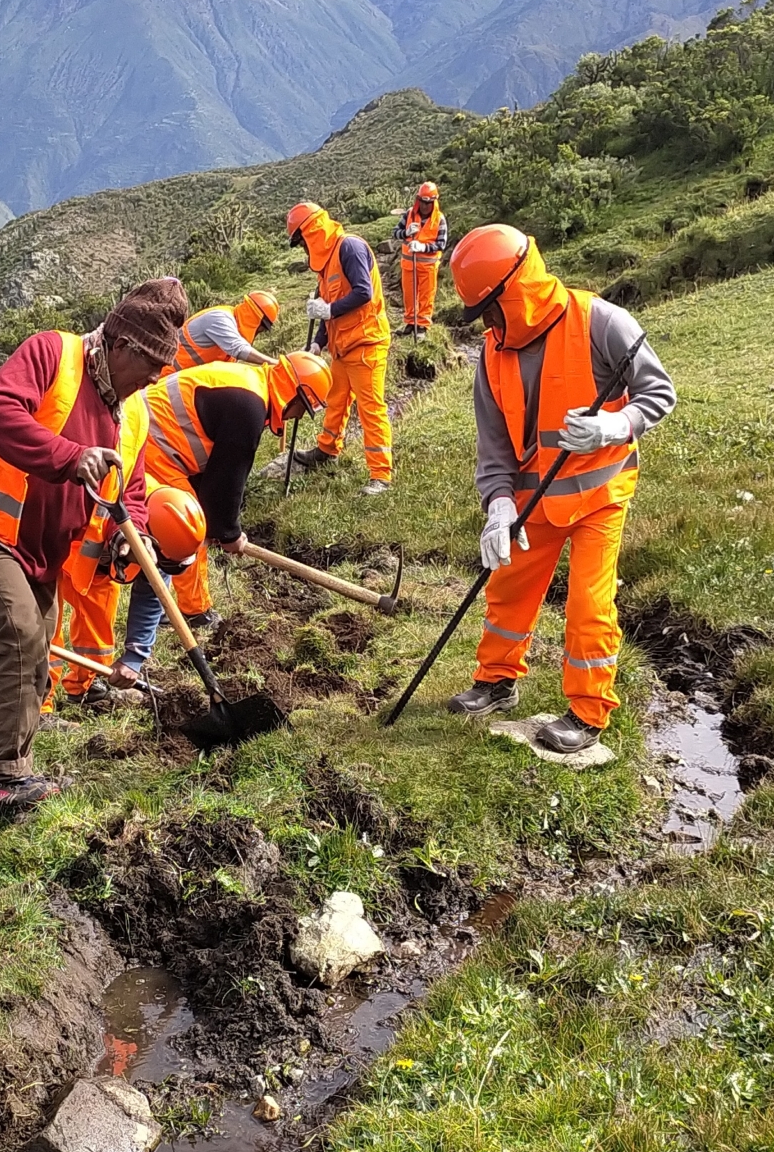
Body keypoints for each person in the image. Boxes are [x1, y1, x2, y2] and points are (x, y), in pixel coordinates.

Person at [0, 278, 188, 812]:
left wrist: (131, 531)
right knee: (24, 633)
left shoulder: (131, 410)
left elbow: (133, 488)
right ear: (122, 346)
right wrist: (70, 457)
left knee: (41, 640)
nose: (155, 380)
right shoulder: (54, 353)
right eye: (153, 367)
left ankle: (17, 770)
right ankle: (1, 779)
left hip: (42, 551)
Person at [442, 225, 675, 757]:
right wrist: (498, 507)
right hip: (533, 495)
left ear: (514, 288)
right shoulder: (493, 353)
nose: (489, 324)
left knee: (588, 603)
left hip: (598, 491)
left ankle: (588, 713)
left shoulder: (602, 321)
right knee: (508, 589)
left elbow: (659, 392)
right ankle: (496, 682)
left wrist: (616, 427)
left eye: (490, 310)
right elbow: (495, 443)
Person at [115, 352, 331, 668]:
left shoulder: (249, 387)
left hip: (155, 436)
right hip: (151, 441)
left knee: (189, 524)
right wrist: (227, 531)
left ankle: (173, 607)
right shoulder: (249, 406)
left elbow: (218, 471)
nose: (297, 417)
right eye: (302, 409)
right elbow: (229, 477)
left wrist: (224, 526)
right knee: (187, 527)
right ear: (293, 394)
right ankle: (195, 612)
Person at [51, 485, 205, 709]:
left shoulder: (170, 523)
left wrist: (134, 657)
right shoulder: (101, 497)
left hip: (98, 563)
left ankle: (85, 689)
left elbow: (153, 592)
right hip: (50, 548)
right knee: (43, 631)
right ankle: (39, 708)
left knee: (97, 633)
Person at [286, 201, 394, 495]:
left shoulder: (350, 248)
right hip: (342, 346)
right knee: (336, 399)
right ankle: (327, 449)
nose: (303, 250)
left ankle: (381, 474)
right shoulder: (324, 265)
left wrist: (329, 309)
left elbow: (363, 292)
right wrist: (318, 343)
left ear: (311, 232)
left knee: (370, 407)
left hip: (366, 343)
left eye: (302, 242)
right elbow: (327, 312)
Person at [172, 290, 281, 371]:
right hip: (166, 378)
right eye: (262, 328)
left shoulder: (233, 327)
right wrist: (275, 363)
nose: (260, 332)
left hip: (181, 383)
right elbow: (239, 348)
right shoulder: (220, 318)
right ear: (257, 320)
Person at [394, 182, 446, 334]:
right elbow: (395, 232)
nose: (425, 206)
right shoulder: (409, 214)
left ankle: (422, 326)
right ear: (418, 200)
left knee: (426, 296)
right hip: (409, 265)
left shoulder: (439, 219)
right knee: (409, 296)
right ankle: (410, 323)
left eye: (428, 203)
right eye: (423, 202)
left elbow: (441, 244)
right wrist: (406, 233)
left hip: (428, 267)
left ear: (434, 202)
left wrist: (424, 247)